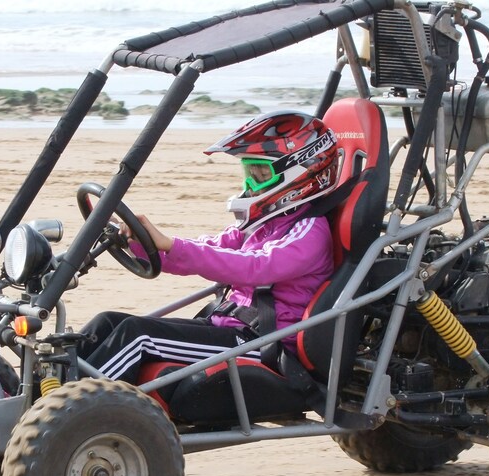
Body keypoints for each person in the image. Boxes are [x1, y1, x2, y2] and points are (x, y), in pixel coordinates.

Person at [77, 111, 340, 384]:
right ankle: (44, 398)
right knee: (107, 322)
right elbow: (211, 248)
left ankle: (74, 412)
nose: (250, 185)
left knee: (137, 335)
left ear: (301, 173)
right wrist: (142, 245)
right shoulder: (266, 223)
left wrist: (170, 244)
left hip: (264, 344)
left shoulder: (309, 232)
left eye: (261, 173)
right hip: (229, 326)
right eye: (249, 172)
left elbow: (253, 266)